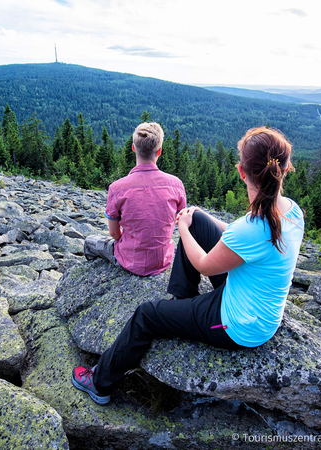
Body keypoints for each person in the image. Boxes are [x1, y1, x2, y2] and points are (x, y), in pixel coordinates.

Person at [72, 127, 305, 405]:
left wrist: (182, 227)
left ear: (241, 172)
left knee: (146, 315)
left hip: (238, 325)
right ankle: (182, 301)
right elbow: (243, 239)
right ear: (286, 168)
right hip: (249, 299)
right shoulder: (291, 210)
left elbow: (206, 266)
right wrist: (198, 218)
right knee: (199, 220)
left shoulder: (250, 228)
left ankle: (100, 383)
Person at [84, 122, 186, 276]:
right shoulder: (176, 185)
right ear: (159, 151)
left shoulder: (117, 188)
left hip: (130, 261)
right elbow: (181, 220)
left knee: (89, 242)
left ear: (133, 148)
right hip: (163, 260)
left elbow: (114, 233)